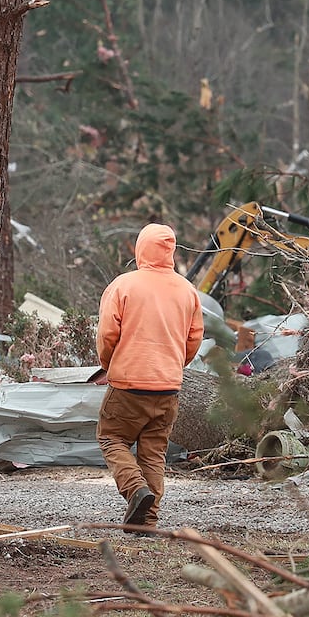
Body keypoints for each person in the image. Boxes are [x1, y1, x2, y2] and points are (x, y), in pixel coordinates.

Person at [96, 223, 204, 529]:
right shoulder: (187, 290)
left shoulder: (124, 285)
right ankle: (147, 521)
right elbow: (194, 338)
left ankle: (135, 489)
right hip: (168, 387)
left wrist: (109, 363)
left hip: (129, 384)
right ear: (171, 252)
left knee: (111, 437)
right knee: (154, 453)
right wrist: (173, 364)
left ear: (140, 248)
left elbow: (106, 333)